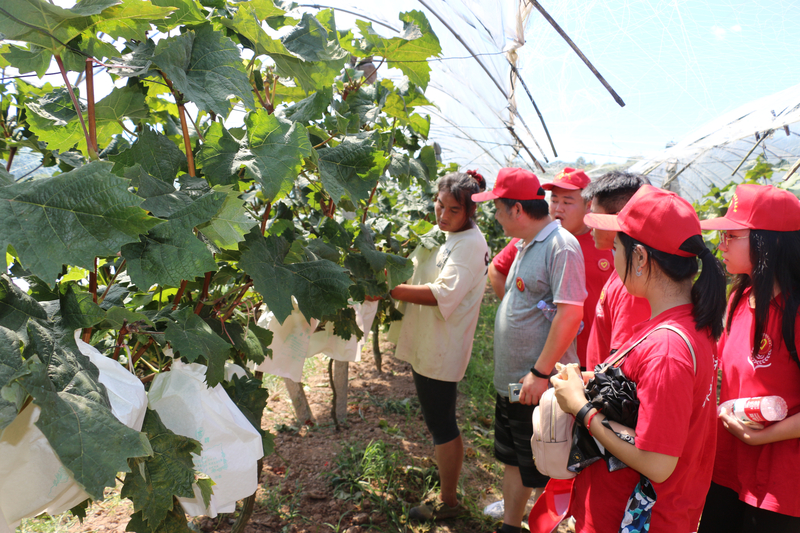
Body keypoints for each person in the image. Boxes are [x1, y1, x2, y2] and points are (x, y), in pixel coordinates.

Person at [551, 184, 727, 533]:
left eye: (617, 247)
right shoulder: (684, 324)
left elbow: (657, 461)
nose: (613, 260)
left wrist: (580, 408)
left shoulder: (667, 349)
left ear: (642, 258)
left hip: (632, 518)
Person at [472, 167, 586, 533]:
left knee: (547, 464)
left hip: (538, 388)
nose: (495, 215)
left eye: (498, 208)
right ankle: (510, 525)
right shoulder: (525, 244)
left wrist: (540, 374)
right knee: (513, 460)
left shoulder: (561, 246)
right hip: (515, 385)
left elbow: (570, 314)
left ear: (517, 210)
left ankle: (544, 526)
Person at [697, 184, 800, 533]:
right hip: (728, 470)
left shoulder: (795, 313)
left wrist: (759, 438)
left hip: (782, 487)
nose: (720, 245)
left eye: (732, 236)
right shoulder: (739, 300)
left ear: (768, 243)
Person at [390, 170, 490, 521]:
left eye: (453, 210)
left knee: (443, 424)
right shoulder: (444, 234)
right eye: (440, 205)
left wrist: (390, 291)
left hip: (442, 348)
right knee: (439, 421)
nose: (443, 215)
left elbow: (442, 293)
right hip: (429, 342)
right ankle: (447, 495)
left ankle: (448, 503)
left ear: (471, 212)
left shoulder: (471, 245)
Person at [487, 168, 613, 370]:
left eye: (567, 202)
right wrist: (522, 310)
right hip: (551, 355)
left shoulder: (604, 242)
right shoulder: (535, 237)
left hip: (595, 354)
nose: (558, 208)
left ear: (588, 206)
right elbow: (496, 269)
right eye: (554, 200)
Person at [582, 171, 652, 370]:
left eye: (594, 216)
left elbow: (621, 368)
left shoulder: (633, 284)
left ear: (617, 218)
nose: (589, 227)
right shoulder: (625, 269)